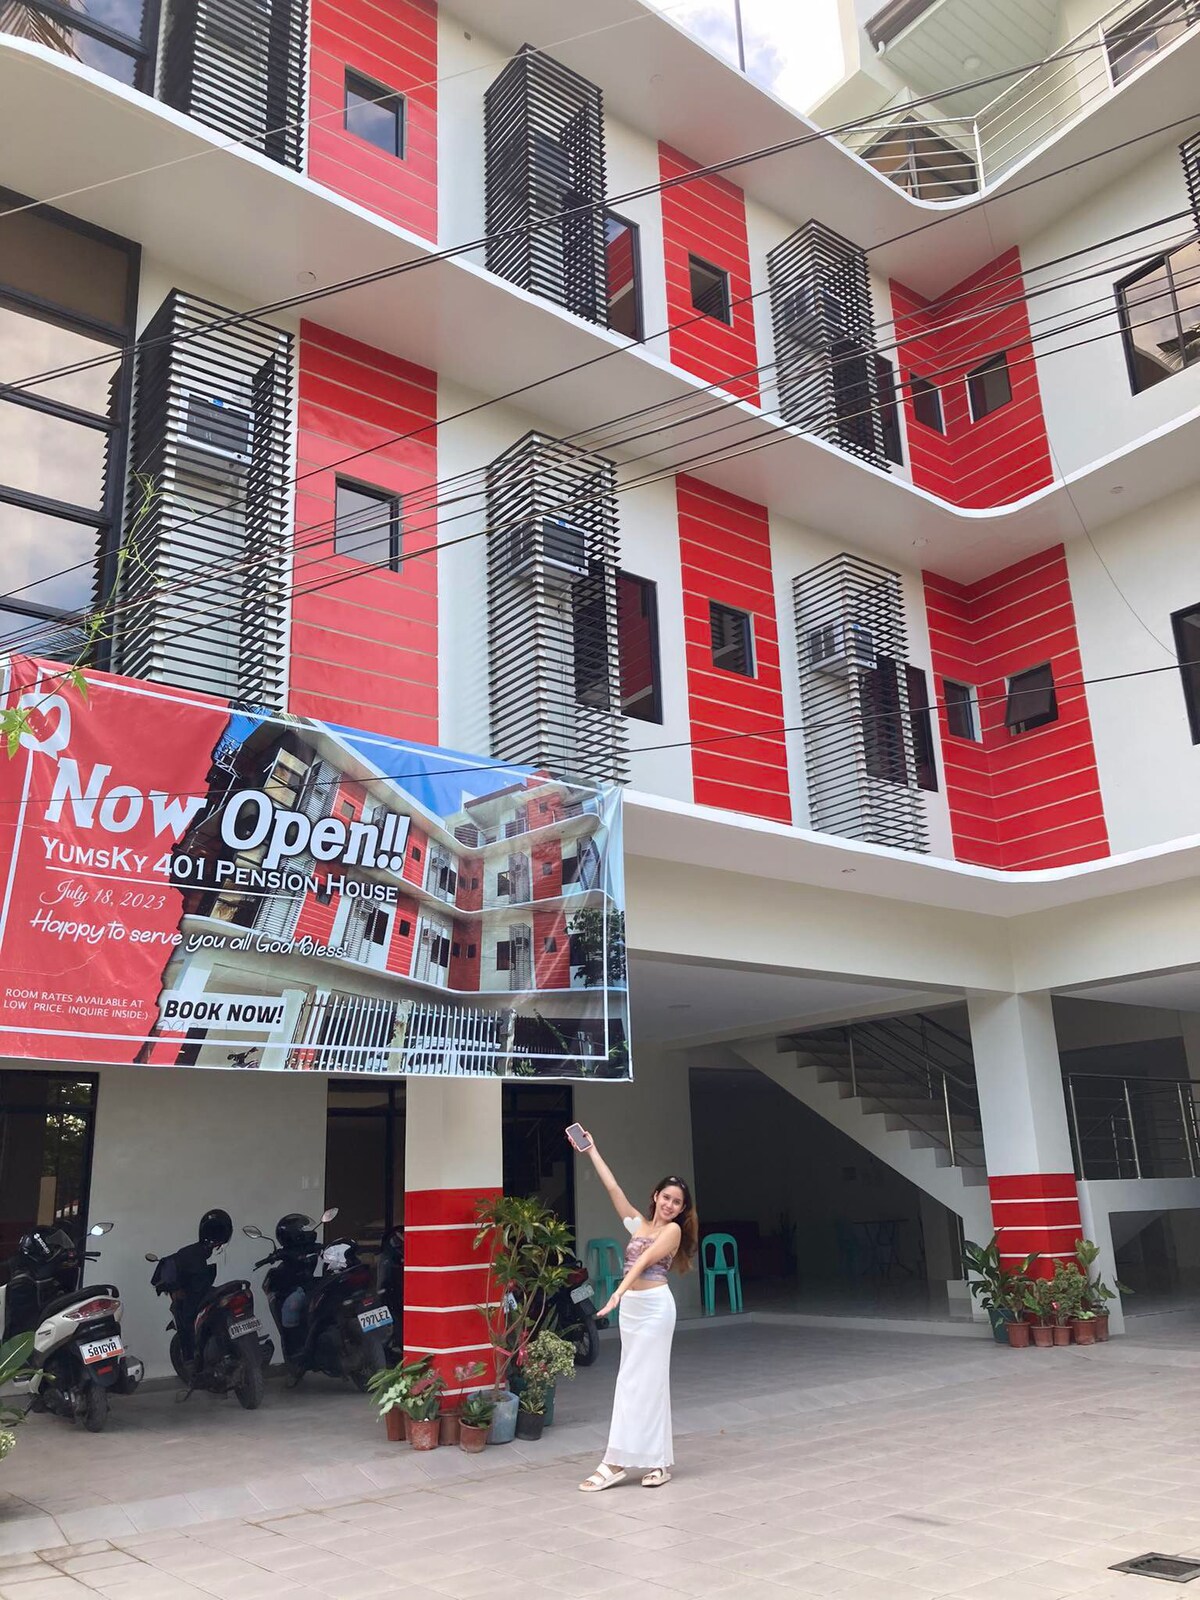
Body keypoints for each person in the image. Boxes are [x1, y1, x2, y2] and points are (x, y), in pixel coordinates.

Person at [573, 1132, 697, 1491]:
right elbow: (613, 1188)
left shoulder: (672, 1232)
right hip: (633, 1311)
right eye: (667, 1197)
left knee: (643, 1382)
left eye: (678, 1202)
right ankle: (657, 1462)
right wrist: (592, 1150)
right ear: (655, 1197)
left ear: (681, 1209)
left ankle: (615, 1461)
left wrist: (616, 1294)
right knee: (637, 1381)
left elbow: (643, 1260)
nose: (671, 1205)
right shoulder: (637, 1224)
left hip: (656, 1310)